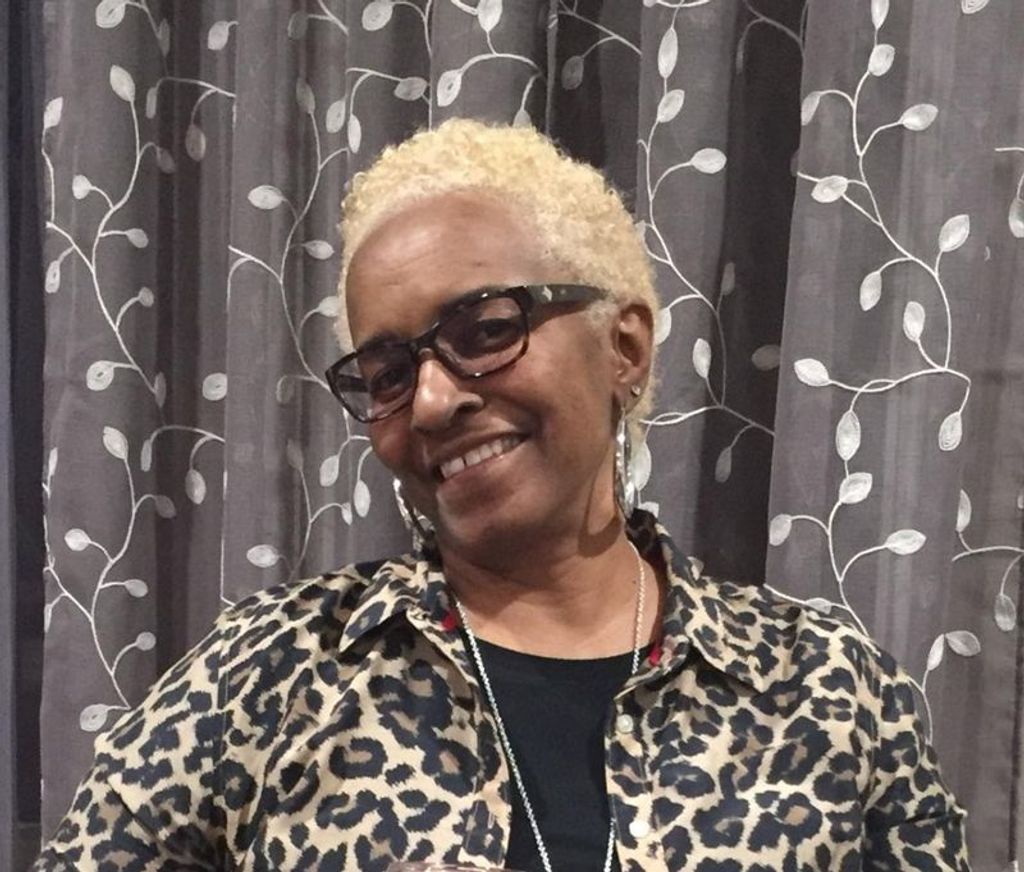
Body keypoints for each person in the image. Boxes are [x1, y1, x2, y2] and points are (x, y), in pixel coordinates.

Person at [35, 119, 970, 872]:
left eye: (485, 330)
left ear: (624, 349)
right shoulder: (275, 671)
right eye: (387, 371)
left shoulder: (828, 691)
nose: (431, 401)